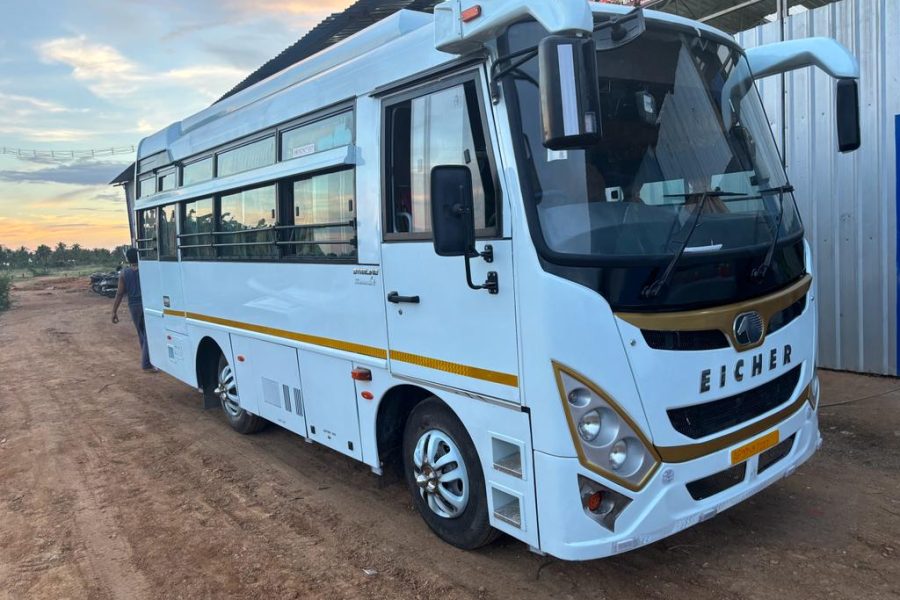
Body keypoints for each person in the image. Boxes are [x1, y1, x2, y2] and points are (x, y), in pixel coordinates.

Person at [112, 248, 156, 372]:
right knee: (148, 334)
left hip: (133, 306)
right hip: (146, 303)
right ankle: (146, 363)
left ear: (127, 259)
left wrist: (114, 311)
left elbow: (119, 293)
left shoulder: (124, 273)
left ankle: (148, 361)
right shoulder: (145, 271)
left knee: (141, 333)